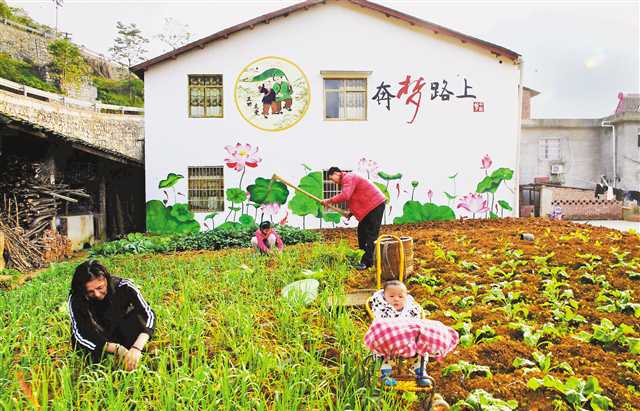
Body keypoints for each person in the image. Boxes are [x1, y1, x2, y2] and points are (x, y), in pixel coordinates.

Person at [365, 280, 458, 395]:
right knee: (384, 346)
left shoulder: (411, 309)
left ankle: (420, 370)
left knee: (422, 342)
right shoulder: (382, 309)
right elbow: (380, 325)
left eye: (400, 296)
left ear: (406, 297)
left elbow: (417, 322)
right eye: (391, 296)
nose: (396, 299)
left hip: (410, 341)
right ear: (384, 297)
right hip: (391, 340)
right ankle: (385, 372)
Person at [68, 260, 155, 370]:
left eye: (100, 288)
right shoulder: (76, 298)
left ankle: (134, 354)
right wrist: (117, 349)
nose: (97, 294)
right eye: (90, 292)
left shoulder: (124, 286)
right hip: (98, 339)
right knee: (89, 351)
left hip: (119, 330)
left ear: (106, 279)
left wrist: (137, 348)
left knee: (137, 317)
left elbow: (149, 314)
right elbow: (82, 333)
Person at [320, 166, 385, 270]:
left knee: (371, 234)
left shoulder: (348, 177)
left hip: (376, 205)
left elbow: (346, 195)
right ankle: (364, 258)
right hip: (370, 208)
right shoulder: (348, 180)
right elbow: (355, 198)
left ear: (337, 173)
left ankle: (367, 262)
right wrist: (351, 212)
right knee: (362, 232)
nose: (333, 182)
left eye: (332, 179)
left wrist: (328, 201)